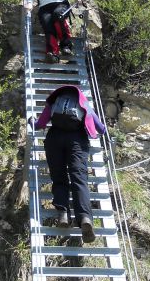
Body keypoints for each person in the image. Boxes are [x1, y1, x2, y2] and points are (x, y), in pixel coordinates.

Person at [32, 85, 107, 243]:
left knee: (59, 178)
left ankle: (63, 213)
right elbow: (100, 129)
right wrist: (105, 129)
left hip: (55, 139)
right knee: (79, 179)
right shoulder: (83, 102)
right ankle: (85, 218)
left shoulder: (53, 102)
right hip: (77, 142)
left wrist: (32, 121)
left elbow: (40, 124)